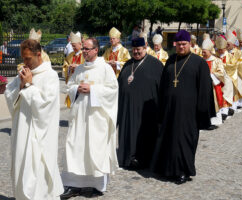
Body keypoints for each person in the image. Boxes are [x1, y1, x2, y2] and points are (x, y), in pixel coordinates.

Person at [151, 30, 215, 184]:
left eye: (184, 44)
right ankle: (168, 169)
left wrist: (202, 112)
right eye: (178, 44)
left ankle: (183, 171)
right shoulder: (171, 60)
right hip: (169, 110)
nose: (181, 47)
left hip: (188, 113)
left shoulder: (199, 63)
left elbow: (205, 90)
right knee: (169, 140)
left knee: (184, 142)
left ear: (189, 44)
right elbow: (164, 85)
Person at [5, 39, 63, 200]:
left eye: (28, 58)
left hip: (38, 135)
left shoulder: (50, 76)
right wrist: (21, 85)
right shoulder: (24, 72)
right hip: (21, 131)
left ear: (38, 55)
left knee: (37, 171)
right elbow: (10, 95)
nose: (24, 62)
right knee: (20, 167)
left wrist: (29, 86)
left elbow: (45, 108)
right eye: (23, 58)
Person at [60, 38, 119, 199]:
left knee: (95, 148)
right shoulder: (79, 69)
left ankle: (95, 185)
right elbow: (69, 86)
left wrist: (93, 89)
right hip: (79, 116)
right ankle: (72, 184)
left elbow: (113, 90)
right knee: (75, 147)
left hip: (96, 117)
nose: (84, 51)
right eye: (83, 49)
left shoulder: (105, 68)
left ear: (96, 50)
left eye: (87, 49)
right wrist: (76, 88)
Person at [117, 37, 163, 169]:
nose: (136, 52)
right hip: (127, 108)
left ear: (145, 48)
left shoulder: (155, 65)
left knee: (143, 135)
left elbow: (161, 88)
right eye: (134, 50)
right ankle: (127, 157)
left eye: (139, 50)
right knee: (128, 132)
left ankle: (144, 159)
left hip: (146, 110)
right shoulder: (128, 64)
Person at [202, 38, 233, 129]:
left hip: (213, 87)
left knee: (214, 104)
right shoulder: (200, 60)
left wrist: (210, 76)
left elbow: (221, 73)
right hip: (203, 87)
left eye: (204, 52)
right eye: (202, 52)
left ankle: (213, 121)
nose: (203, 54)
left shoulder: (216, 60)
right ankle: (205, 121)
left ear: (210, 51)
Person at [226, 30, 242, 108]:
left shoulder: (238, 52)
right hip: (227, 74)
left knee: (236, 89)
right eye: (226, 44)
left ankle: (235, 105)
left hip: (236, 74)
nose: (226, 46)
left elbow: (241, 62)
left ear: (233, 44)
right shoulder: (225, 52)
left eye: (228, 44)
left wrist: (233, 65)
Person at [62, 32, 85, 108]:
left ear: (80, 44)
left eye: (74, 46)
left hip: (81, 81)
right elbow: (65, 65)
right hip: (73, 82)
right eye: (72, 46)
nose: (73, 48)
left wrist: (77, 67)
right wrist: (69, 67)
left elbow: (87, 66)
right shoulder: (70, 55)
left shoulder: (84, 54)